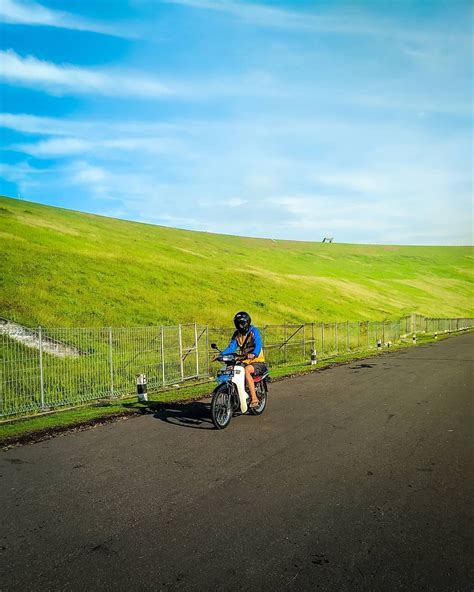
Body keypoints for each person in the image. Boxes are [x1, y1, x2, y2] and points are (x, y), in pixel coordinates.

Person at [220, 311, 267, 408]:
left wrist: (254, 353)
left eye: (241, 323)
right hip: (245, 360)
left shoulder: (254, 331)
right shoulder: (237, 334)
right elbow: (231, 347)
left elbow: (258, 344)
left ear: (247, 322)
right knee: (233, 369)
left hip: (257, 361)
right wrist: (221, 355)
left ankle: (254, 398)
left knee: (246, 371)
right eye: (237, 323)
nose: (240, 326)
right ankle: (238, 394)